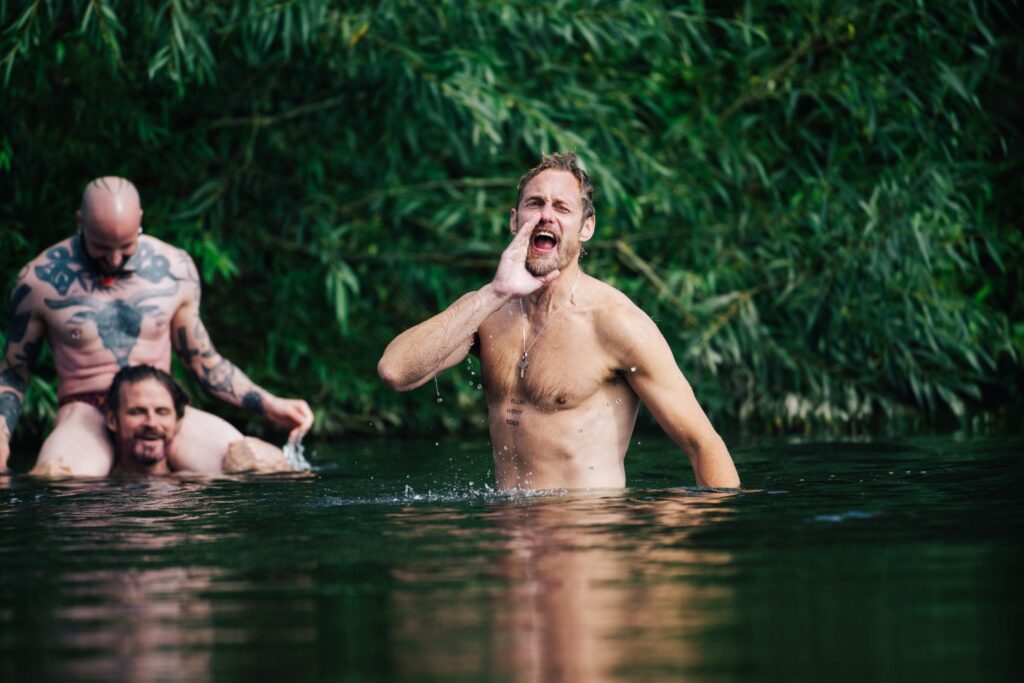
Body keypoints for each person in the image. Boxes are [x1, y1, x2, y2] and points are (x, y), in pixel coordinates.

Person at [378, 152, 739, 490]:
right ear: (514, 219)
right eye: (534, 204)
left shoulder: (615, 323)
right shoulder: (487, 312)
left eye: (562, 207)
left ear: (586, 228)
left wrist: (699, 548)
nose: (545, 215)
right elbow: (395, 371)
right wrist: (494, 293)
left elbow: (702, 443)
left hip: (585, 543)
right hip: (508, 547)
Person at [0, 176, 313, 475]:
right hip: (87, 411)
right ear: (80, 222)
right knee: (58, 481)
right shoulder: (38, 281)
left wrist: (269, 404)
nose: (113, 259)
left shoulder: (175, 270)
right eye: (101, 247)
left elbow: (204, 361)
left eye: (125, 246)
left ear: (140, 220)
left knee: (252, 464)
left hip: (162, 409)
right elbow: (14, 372)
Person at [104, 364, 291, 476]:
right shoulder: (95, 483)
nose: (152, 423)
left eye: (162, 412)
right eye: (137, 412)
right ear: (113, 420)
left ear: (177, 422)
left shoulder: (193, 484)